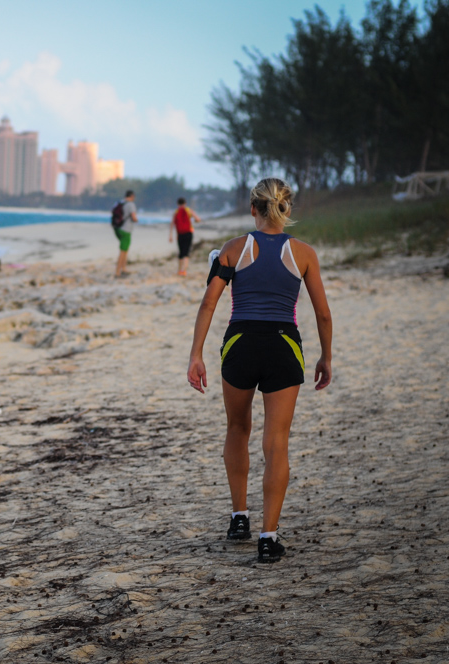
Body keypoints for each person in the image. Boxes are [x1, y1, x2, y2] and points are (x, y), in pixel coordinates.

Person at [186, 178, 333, 563]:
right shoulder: (304, 253)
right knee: (276, 441)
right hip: (284, 346)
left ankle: (239, 518)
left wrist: (196, 355)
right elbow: (322, 313)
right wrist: (326, 357)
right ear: (287, 208)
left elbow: (208, 304)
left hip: (241, 344)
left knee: (237, 428)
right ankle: (269, 537)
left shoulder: (234, 249)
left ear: (253, 209)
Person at [168, 197, 201, 276]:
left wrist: (170, 235)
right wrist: (195, 220)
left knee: (181, 252)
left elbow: (172, 224)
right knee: (186, 252)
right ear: (185, 203)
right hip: (189, 233)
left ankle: (179, 270)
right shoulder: (188, 210)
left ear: (177, 204)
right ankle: (184, 271)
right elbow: (198, 219)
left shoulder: (176, 212)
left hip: (180, 234)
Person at [114, 190, 139, 278]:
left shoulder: (120, 202)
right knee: (123, 251)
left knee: (125, 249)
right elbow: (134, 217)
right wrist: (136, 220)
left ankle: (124, 268)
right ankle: (118, 272)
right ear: (132, 196)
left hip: (117, 228)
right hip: (126, 230)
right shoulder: (131, 204)